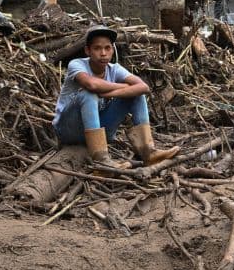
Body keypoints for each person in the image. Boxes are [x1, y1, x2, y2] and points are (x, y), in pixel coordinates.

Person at [53, 24, 179, 169]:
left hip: (99, 131)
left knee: (137, 95)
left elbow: (144, 87)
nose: (103, 53)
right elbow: (92, 85)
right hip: (69, 130)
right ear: (87, 50)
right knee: (88, 93)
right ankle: (102, 163)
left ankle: (148, 152)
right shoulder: (77, 64)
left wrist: (109, 92)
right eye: (97, 48)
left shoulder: (115, 69)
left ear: (112, 50)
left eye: (107, 48)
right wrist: (124, 87)